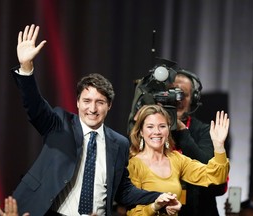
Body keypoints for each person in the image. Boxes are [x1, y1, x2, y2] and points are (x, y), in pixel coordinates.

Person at [11, 24, 182, 216]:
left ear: (109, 106)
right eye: (87, 101)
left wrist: (158, 197)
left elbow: (123, 191)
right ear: (77, 102)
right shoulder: (59, 123)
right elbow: (34, 106)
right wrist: (26, 68)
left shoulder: (119, 144)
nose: (92, 109)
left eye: (100, 102)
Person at [127, 67, 229, 216]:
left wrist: (219, 147)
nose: (177, 100)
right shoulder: (134, 163)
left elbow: (215, 177)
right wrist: (155, 207)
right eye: (150, 126)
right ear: (141, 131)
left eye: (183, 95)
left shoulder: (178, 158)